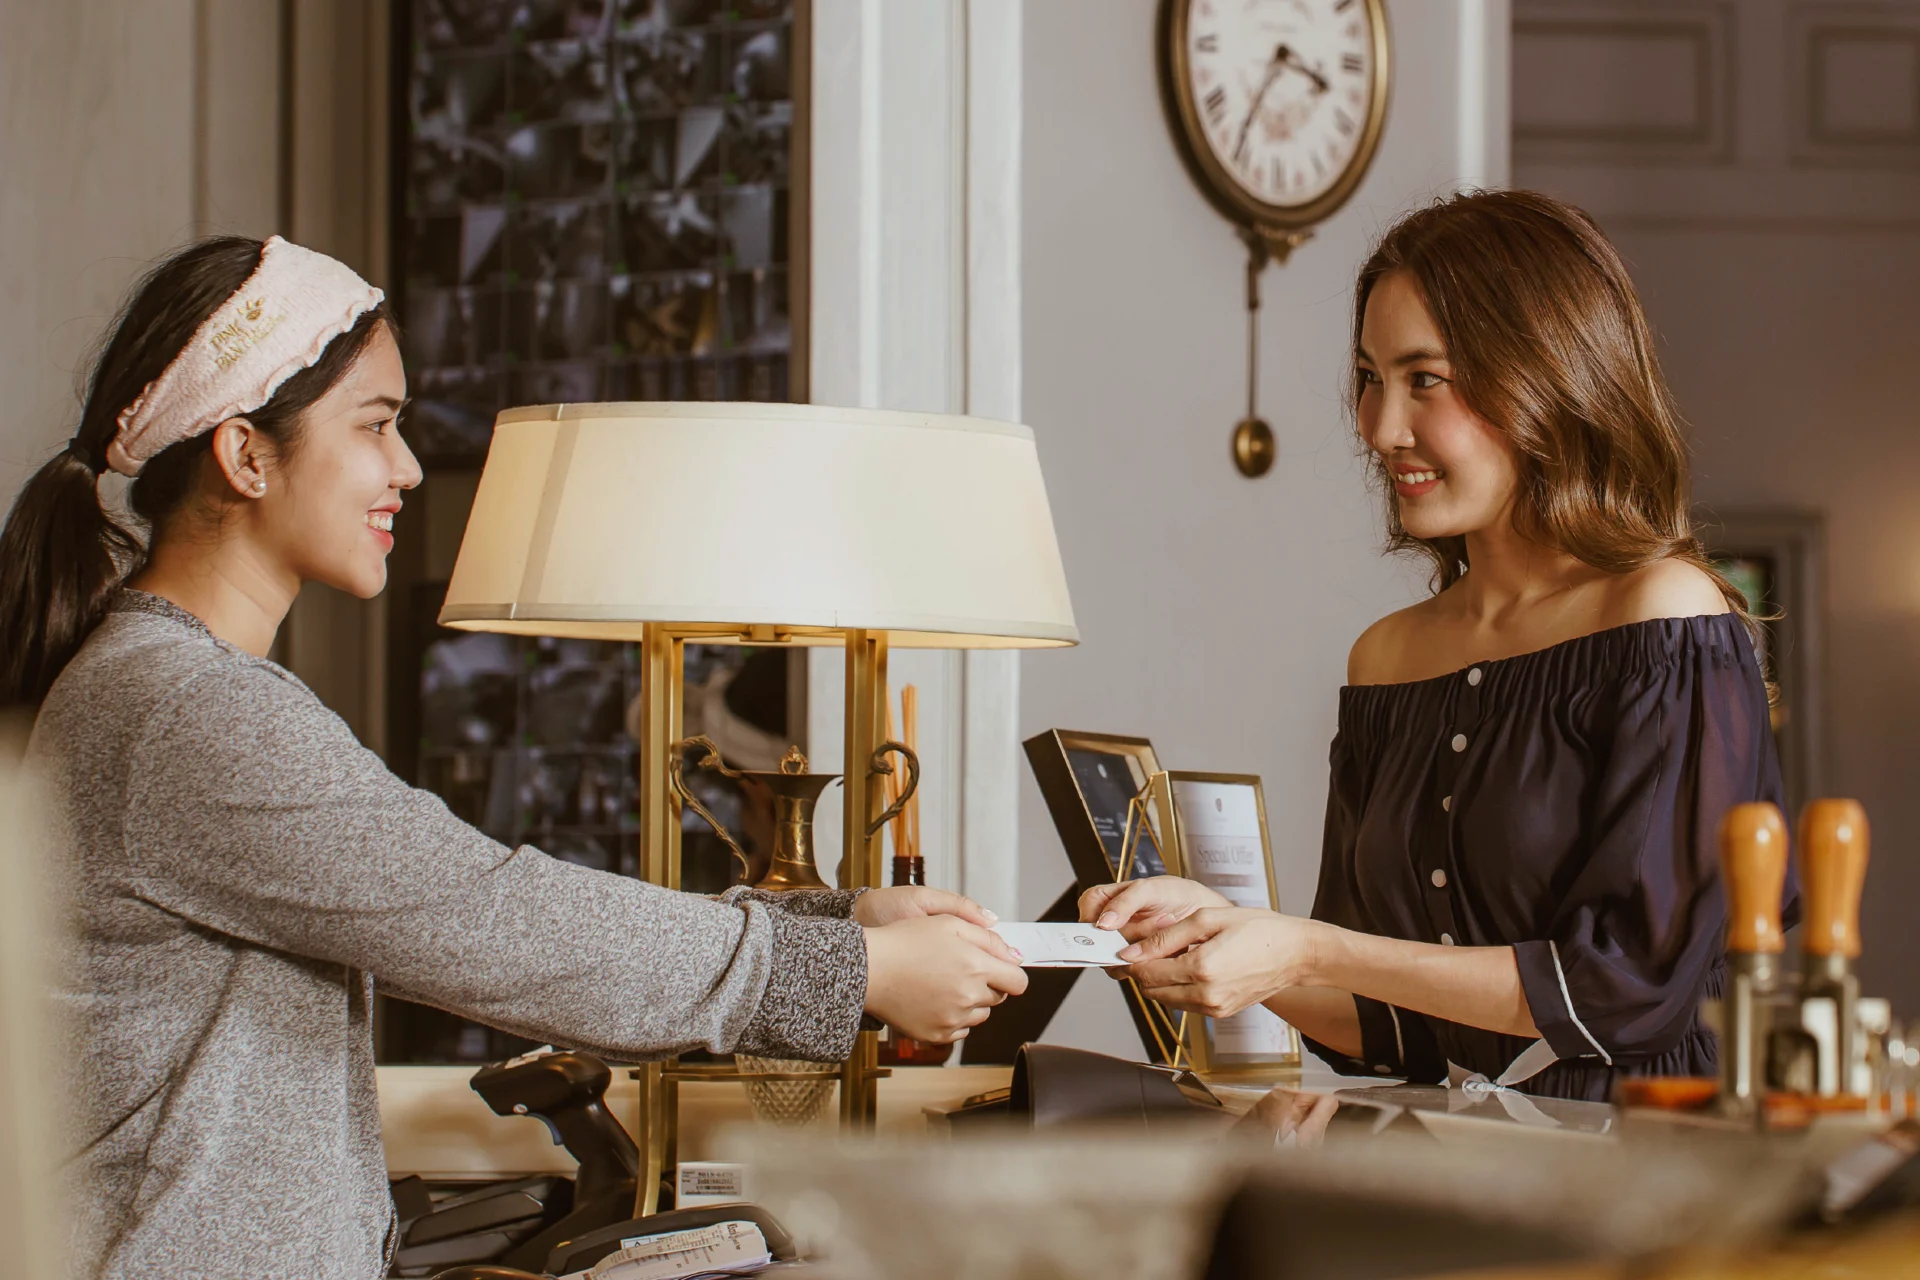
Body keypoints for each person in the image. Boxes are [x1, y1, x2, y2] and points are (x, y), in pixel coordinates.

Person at [0, 236, 1028, 1280]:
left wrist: (836, 921)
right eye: (377, 424)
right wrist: (852, 970)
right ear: (245, 453)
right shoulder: (187, 709)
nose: (406, 466)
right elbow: (490, 919)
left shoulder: (168, 689)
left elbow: (469, 907)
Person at [1083, 190, 1792, 1103]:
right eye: (1372, 377)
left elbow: (1627, 990)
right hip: (1457, 1165)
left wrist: (1303, 944)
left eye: (1427, 379)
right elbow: (1387, 1025)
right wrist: (1227, 937)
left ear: (1550, 373)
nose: (1381, 428)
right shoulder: (1386, 658)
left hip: (1657, 1178)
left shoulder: (1665, 617)